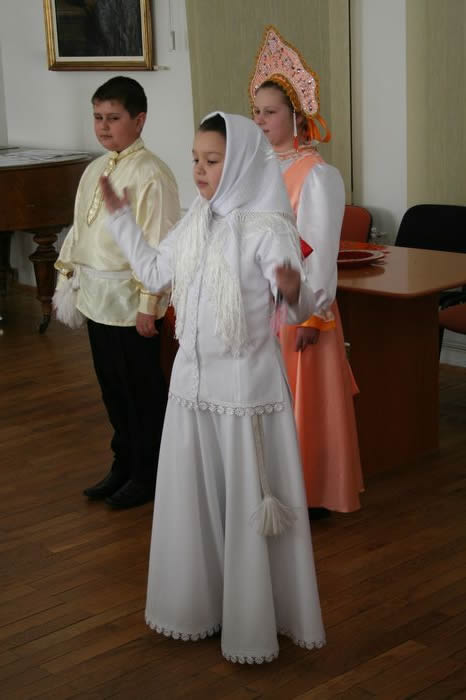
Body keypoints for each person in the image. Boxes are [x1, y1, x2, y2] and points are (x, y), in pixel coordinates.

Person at [100, 112, 326, 663]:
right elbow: (156, 273)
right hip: (191, 389)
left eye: (212, 160)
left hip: (244, 394)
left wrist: (293, 289)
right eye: (196, 159)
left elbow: (299, 305)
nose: (199, 170)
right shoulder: (196, 220)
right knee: (196, 503)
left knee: (245, 504)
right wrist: (122, 218)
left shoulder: (267, 228)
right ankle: (199, 607)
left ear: (242, 161)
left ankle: (253, 621)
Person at [250, 26, 363, 517]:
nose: (260, 121)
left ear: (296, 116)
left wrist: (312, 314)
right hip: (260, 305)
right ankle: (268, 486)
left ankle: (311, 490)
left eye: (269, 112)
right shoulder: (258, 169)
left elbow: (318, 251)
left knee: (302, 401)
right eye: (255, 111)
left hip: (298, 309)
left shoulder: (316, 175)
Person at [53, 76, 180, 509]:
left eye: (113, 118)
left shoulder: (152, 173)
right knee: (112, 388)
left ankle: (150, 472)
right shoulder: (95, 169)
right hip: (96, 298)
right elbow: (79, 228)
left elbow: (160, 242)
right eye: (97, 117)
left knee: (140, 390)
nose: (103, 127)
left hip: (129, 304)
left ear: (139, 120)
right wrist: (67, 277)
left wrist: (149, 303)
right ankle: (123, 462)